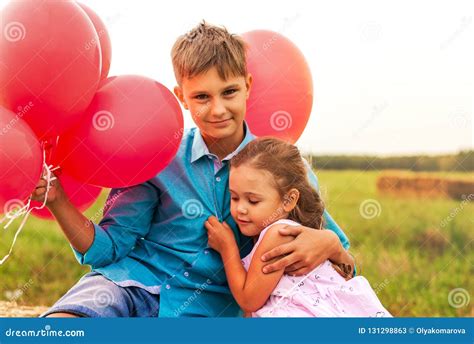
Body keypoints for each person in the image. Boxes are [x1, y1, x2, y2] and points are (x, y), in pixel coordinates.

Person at [34, 21, 355, 318]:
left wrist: (329, 242)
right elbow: (111, 250)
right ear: (182, 98)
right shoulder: (157, 154)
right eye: (201, 96)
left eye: (229, 92)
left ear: (248, 85)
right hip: (133, 286)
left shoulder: (283, 167)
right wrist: (58, 199)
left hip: (214, 308)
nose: (217, 109)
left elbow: (344, 264)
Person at [205, 137, 391, 317]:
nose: (240, 209)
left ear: (289, 200)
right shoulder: (290, 232)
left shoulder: (279, 233)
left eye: (253, 201)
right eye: (234, 197)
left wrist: (227, 247)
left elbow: (249, 300)